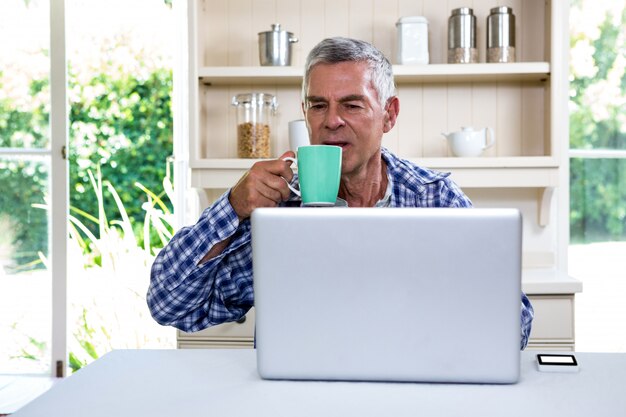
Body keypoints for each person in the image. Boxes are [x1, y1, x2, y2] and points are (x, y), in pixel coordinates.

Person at [147, 37, 534, 349]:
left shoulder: (434, 198)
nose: (331, 121)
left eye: (352, 104)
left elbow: (514, 324)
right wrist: (233, 207)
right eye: (318, 106)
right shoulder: (278, 209)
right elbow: (168, 304)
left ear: (390, 114)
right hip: (297, 397)